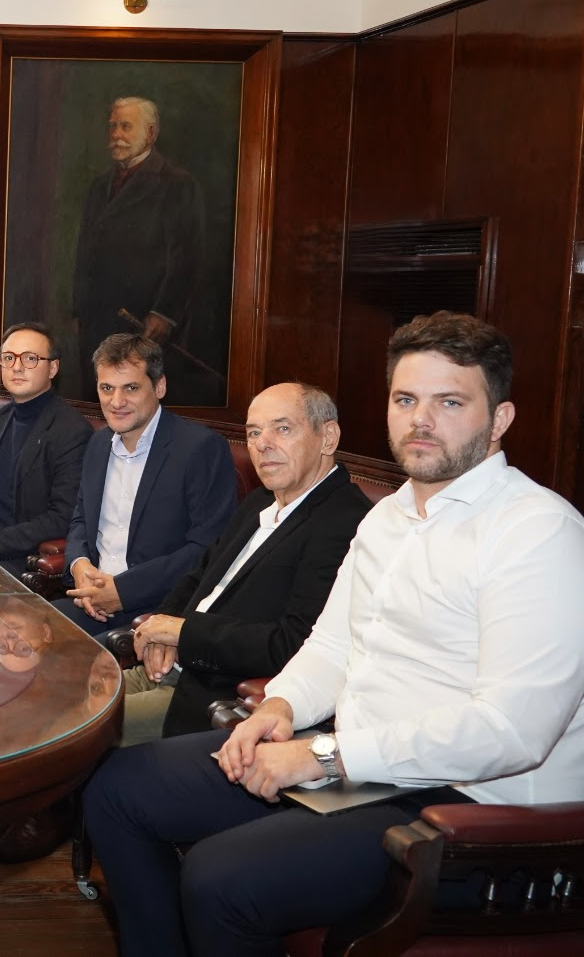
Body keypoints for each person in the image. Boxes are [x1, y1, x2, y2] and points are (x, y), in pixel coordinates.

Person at [84, 312, 584, 957]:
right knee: (119, 788)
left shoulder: (538, 531)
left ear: (500, 419)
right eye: (405, 400)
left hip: (469, 814)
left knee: (219, 878)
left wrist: (323, 756)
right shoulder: (387, 519)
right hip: (363, 769)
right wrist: (279, 708)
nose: (420, 420)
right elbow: (330, 646)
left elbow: (511, 731)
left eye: (450, 402)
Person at [121, 382, 371, 744]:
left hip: (215, 698)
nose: (262, 444)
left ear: (328, 438)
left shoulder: (346, 523)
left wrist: (182, 633)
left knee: (64, 728)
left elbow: (292, 645)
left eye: (282, 428)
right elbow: (198, 577)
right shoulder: (260, 500)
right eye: (253, 432)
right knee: (56, 693)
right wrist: (163, 630)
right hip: (164, 667)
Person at [55, 333, 237, 638]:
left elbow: (208, 550)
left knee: (76, 659)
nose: (116, 402)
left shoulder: (200, 448)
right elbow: (80, 519)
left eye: (131, 388)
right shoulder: (97, 443)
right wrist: (79, 565)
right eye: (107, 388)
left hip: (156, 611)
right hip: (90, 601)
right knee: (23, 631)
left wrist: (122, 591)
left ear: (159, 387)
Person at [70, 96, 213, 402]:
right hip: (97, 322)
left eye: (125, 126)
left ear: (150, 134)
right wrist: (79, 309)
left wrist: (165, 314)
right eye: (112, 126)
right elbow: (84, 253)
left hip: (143, 322)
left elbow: (187, 258)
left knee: (136, 402)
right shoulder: (99, 186)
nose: (116, 135)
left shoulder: (177, 184)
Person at [0, 322, 91, 567]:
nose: (17, 367)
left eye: (30, 358)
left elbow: (61, 518)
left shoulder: (72, 430)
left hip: (21, 558)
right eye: (9, 358)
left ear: (53, 368)